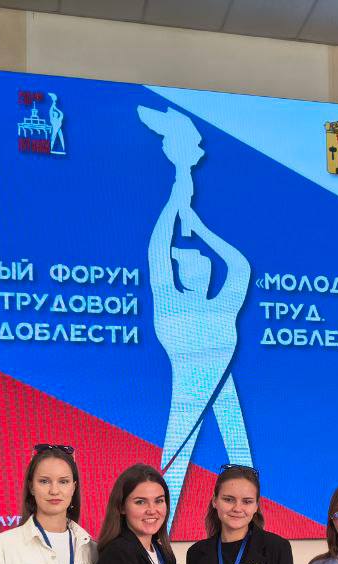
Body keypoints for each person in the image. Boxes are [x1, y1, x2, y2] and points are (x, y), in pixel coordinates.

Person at [137, 104, 253, 530]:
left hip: (223, 387)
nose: (199, 265)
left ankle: (255, 538)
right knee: (171, 472)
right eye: (190, 262)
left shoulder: (222, 304)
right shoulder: (170, 303)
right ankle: (158, 542)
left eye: (203, 261)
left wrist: (200, 227)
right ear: (180, 272)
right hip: (188, 393)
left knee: (243, 464)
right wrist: (175, 198)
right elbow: (157, 250)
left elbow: (239, 266)